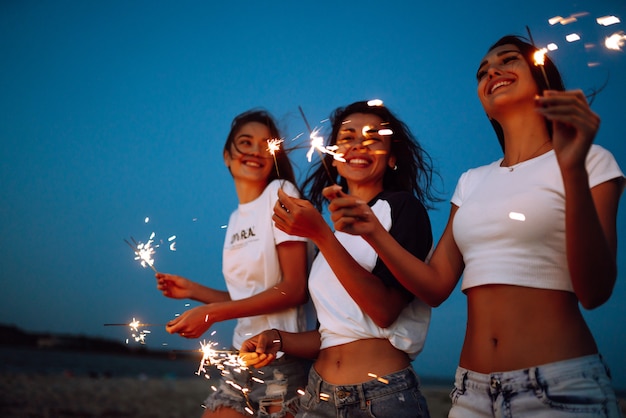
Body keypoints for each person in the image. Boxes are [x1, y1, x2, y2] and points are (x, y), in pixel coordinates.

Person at [324, 36, 624, 417]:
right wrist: (374, 231)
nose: (492, 72)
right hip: (471, 392)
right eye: (483, 71)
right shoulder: (472, 181)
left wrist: (571, 169)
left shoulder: (591, 161)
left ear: (541, 76)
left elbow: (595, 291)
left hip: (560, 385)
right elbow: (434, 286)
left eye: (508, 61)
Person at [241, 100, 440, 418]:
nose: (358, 145)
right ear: (333, 156)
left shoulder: (402, 209)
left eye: (373, 138)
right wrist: (277, 339)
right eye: (347, 137)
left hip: (381, 398)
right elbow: (329, 336)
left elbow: (384, 311)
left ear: (391, 159)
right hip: (317, 398)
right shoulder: (330, 241)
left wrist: (322, 235)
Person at [155, 109, 311, 418]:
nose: (255, 151)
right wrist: (193, 291)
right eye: (245, 142)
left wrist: (210, 314)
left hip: (279, 359)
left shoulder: (281, 195)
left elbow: (294, 290)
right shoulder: (235, 219)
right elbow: (248, 300)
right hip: (241, 357)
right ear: (227, 155)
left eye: (265, 144)